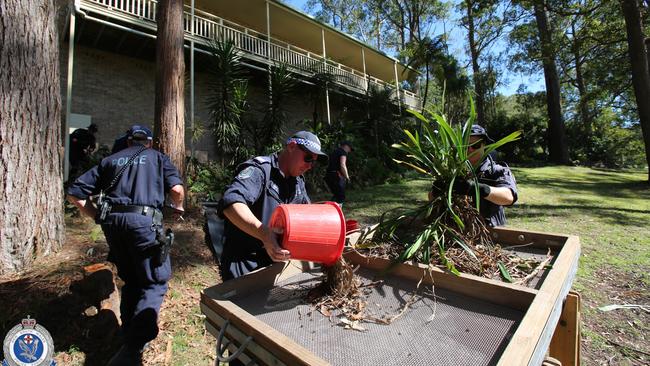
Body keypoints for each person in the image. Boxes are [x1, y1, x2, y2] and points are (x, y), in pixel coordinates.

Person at [66, 125, 185, 365]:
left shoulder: (110, 160)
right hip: (143, 224)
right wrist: (179, 206)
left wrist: (97, 216)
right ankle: (134, 347)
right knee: (154, 282)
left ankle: (128, 332)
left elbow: (75, 194)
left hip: (113, 225)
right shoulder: (159, 158)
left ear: (129, 142)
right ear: (149, 143)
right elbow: (176, 190)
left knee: (132, 280)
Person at [217, 131, 328, 281]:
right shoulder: (260, 170)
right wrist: (264, 234)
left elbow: (308, 215)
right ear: (291, 146)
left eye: (313, 162)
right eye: (308, 158)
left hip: (276, 264)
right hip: (245, 263)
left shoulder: (298, 182)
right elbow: (231, 203)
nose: (309, 166)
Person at [450, 124, 518, 227]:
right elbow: (431, 197)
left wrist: (478, 189)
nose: (470, 150)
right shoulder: (453, 172)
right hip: (458, 231)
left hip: (490, 233)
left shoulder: (496, 170)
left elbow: (509, 197)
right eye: (466, 146)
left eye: (476, 145)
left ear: (484, 145)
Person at [324, 141, 353, 205]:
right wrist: (347, 177)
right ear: (346, 146)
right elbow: (342, 165)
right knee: (341, 196)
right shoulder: (343, 153)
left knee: (336, 195)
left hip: (328, 175)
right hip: (336, 176)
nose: (350, 151)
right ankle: (336, 212)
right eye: (350, 149)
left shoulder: (335, 152)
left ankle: (328, 208)